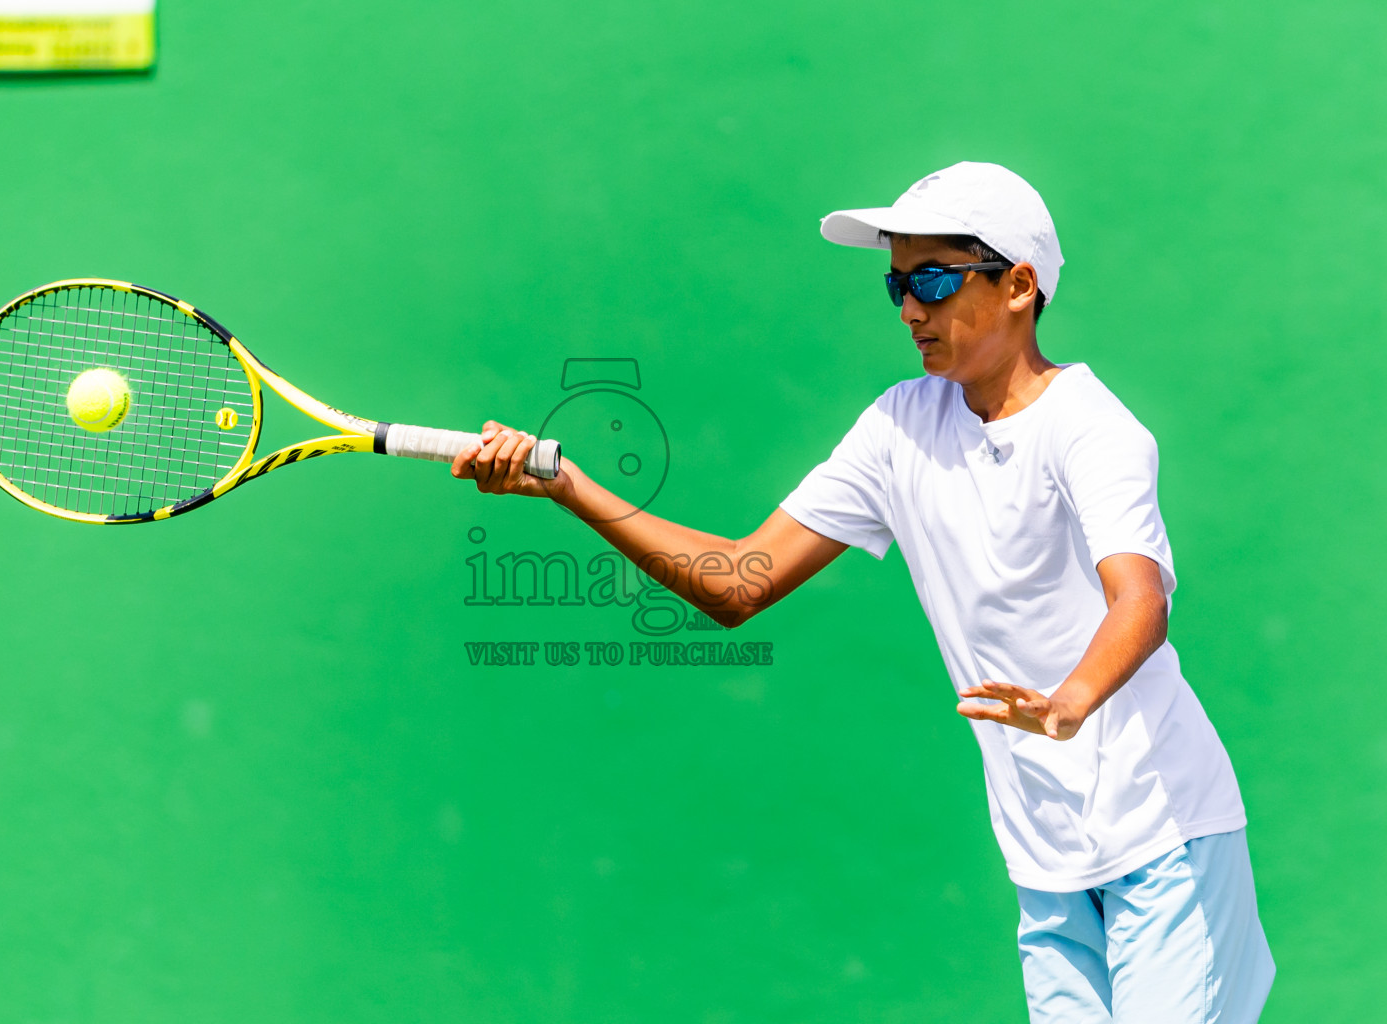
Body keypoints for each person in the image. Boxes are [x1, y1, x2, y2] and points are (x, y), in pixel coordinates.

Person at [450, 161, 1274, 1022]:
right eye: (896, 285)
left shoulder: (1093, 429)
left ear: (1020, 285)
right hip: (1046, 863)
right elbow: (740, 582)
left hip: (1166, 838)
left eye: (933, 279)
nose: (911, 308)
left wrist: (1069, 703)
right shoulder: (897, 427)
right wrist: (569, 487)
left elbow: (1139, 597)